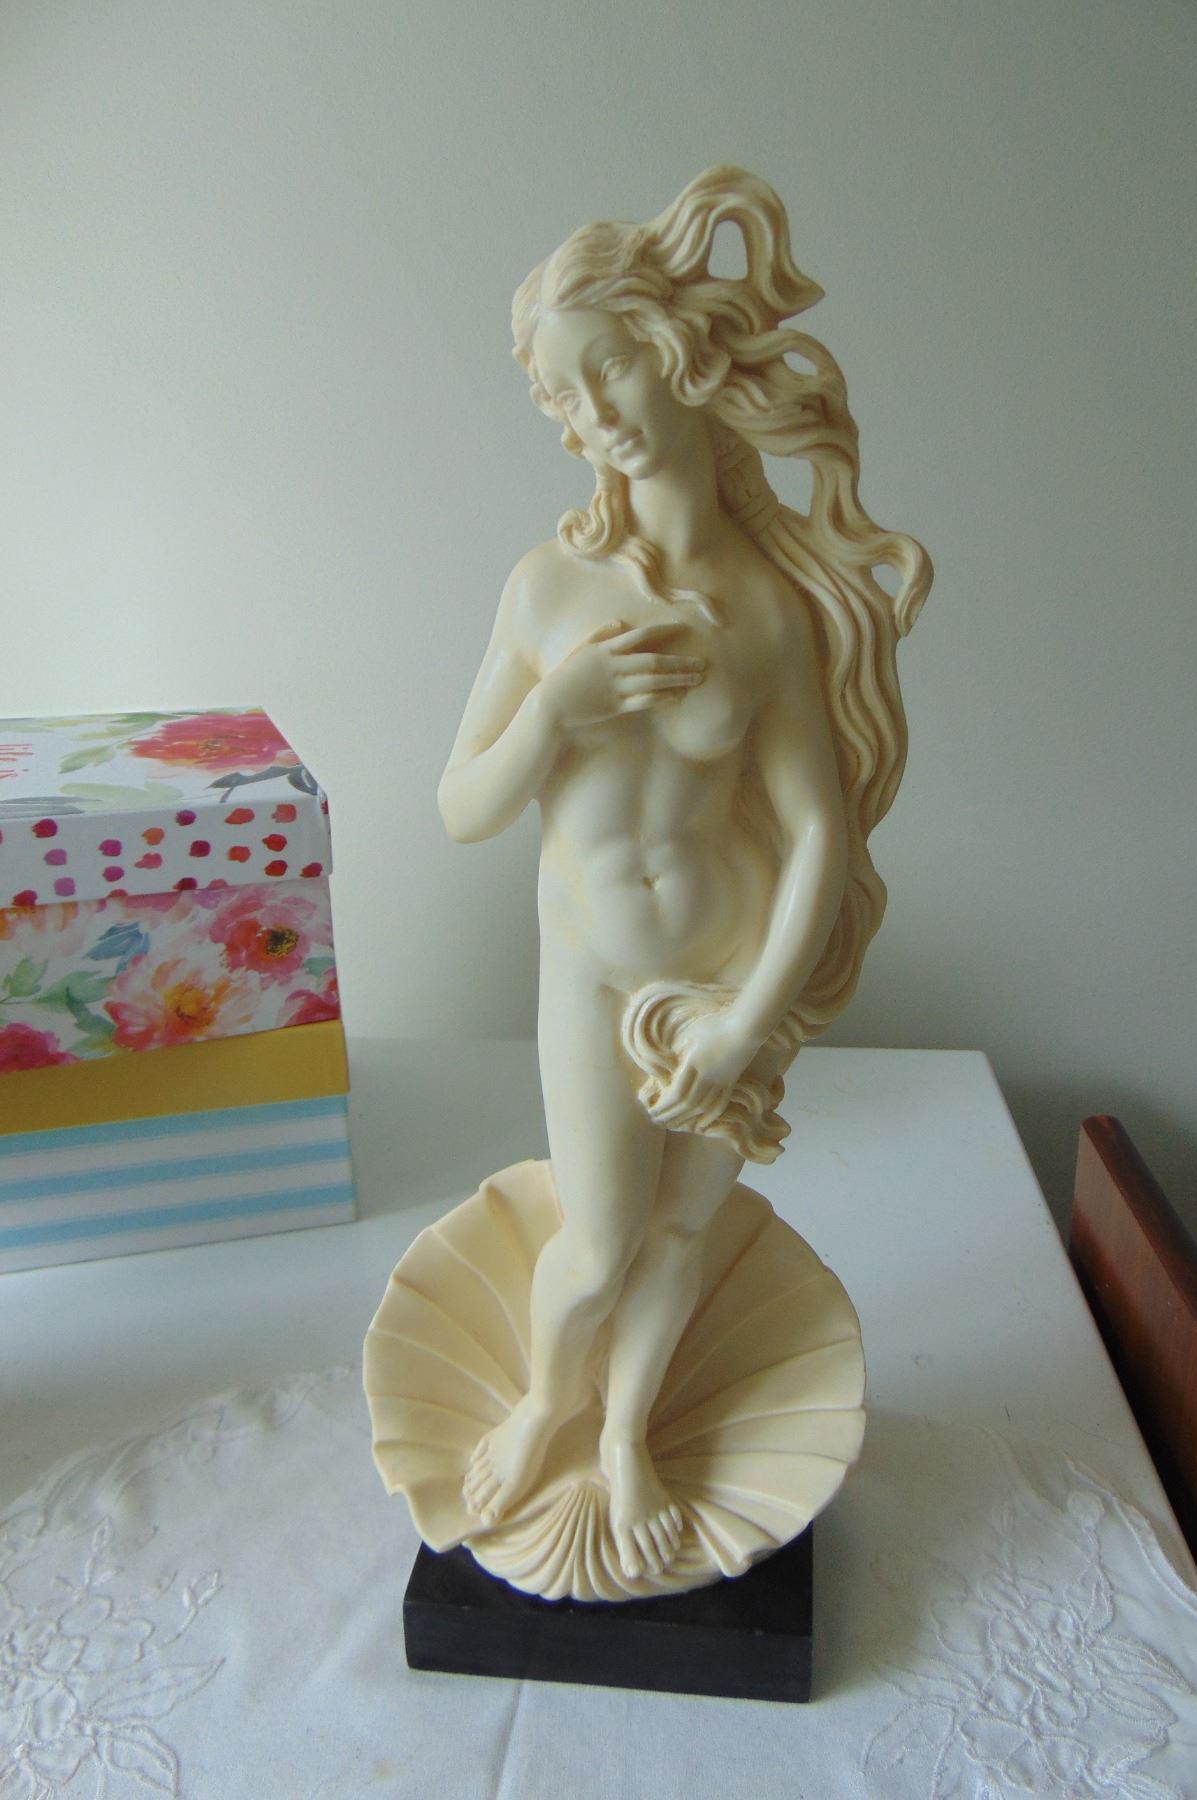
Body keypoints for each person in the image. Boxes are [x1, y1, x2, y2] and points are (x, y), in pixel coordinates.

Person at [437, 167, 931, 1584]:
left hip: (727, 980)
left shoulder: (770, 611)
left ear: (679, 356)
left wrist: (748, 1017)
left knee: (674, 1241)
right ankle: (548, 1401)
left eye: (605, 372)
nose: (589, 416)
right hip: (595, 977)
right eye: (560, 394)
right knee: (597, 1245)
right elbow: (463, 807)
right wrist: (558, 709)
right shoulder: (547, 591)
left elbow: (821, 833)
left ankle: (624, 1436)